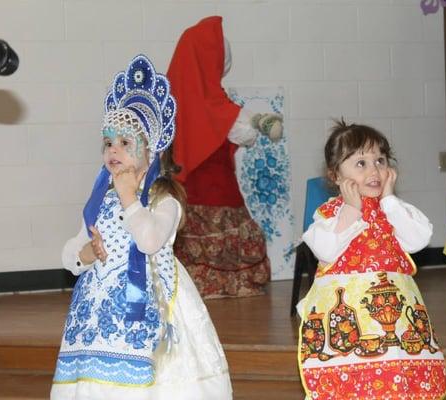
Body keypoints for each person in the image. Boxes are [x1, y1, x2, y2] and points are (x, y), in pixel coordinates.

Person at [51, 54, 232, 400]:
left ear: (151, 150)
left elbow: (149, 240)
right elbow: (70, 252)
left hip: (149, 309)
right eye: (108, 142)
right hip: (99, 315)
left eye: (125, 142)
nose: (113, 151)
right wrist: (85, 253)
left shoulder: (165, 198)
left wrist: (130, 197)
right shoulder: (100, 200)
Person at [297, 120, 446, 399]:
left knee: (397, 378)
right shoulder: (329, 215)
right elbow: (326, 250)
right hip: (348, 328)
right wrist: (352, 211)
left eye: (379, 159)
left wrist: (389, 201)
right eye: (360, 163)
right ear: (335, 175)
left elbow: (418, 239)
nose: (374, 169)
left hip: (397, 324)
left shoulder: (394, 211)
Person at [166, 16, 282, 299]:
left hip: (184, 191)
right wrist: (258, 122)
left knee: (191, 236)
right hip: (219, 190)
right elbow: (245, 133)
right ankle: (232, 283)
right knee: (232, 231)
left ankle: (202, 285)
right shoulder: (214, 102)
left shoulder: (173, 99)